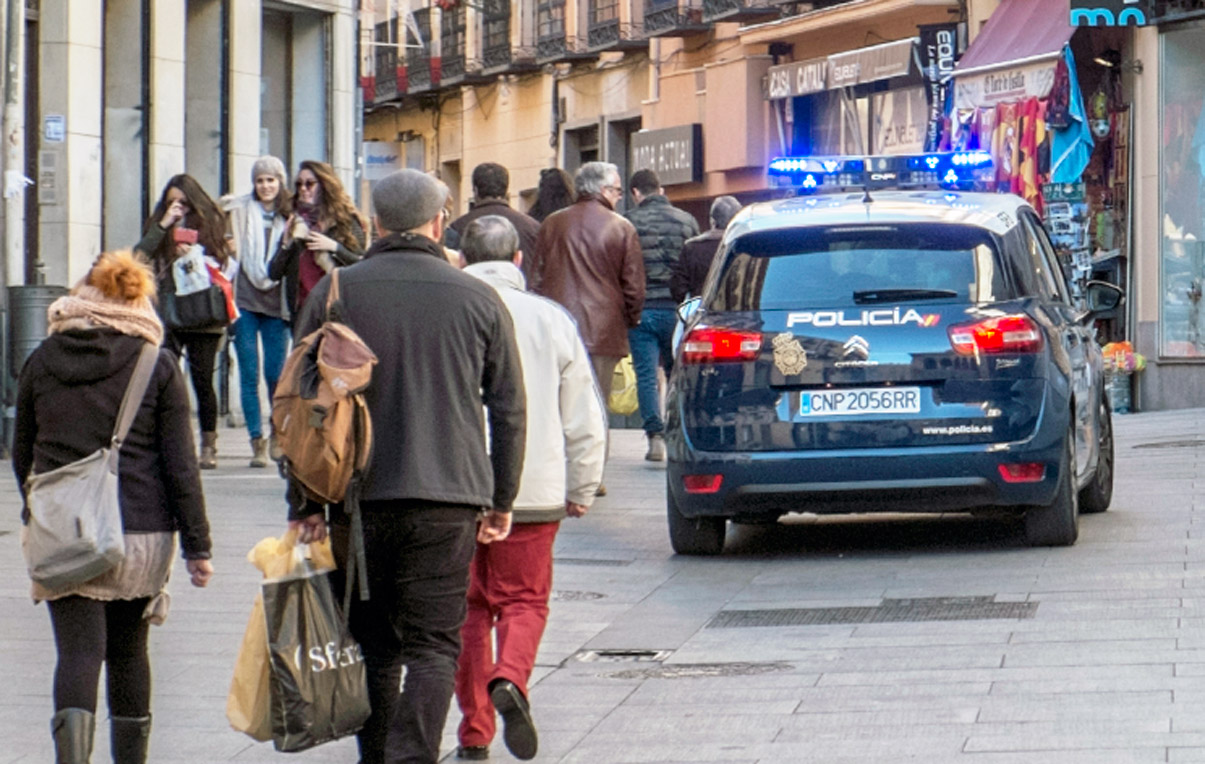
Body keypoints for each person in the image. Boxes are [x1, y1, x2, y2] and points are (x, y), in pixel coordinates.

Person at [287, 169, 527, 764]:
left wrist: (304, 504)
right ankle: (412, 756)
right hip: (448, 494)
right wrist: (501, 498)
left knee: (374, 645)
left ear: (374, 223)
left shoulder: (336, 290)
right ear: (440, 221)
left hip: (354, 497)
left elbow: (295, 402)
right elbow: (510, 407)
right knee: (434, 646)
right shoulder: (477, 295)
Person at [13, 250, 213, 764]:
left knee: (77, 653)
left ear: (81, 299)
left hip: (65, 532)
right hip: (141, 533)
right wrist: (198, 546)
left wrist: (39, 507)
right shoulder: (157, 363)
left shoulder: (42, 359)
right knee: (129, 653)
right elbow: (180, 464)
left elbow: (22, 450)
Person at [453, 216, 606, 762]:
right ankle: (511, 677)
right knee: (524, 600)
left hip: (458, 487)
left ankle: (474, 732)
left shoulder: (453, 311)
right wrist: (583, 482)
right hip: (535, 488)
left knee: (468, 609)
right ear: (519, 260)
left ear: (461, 258)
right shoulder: (551, 318)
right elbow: (584, 412)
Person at [535, 161, 644, 494]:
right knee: (595, 405)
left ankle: (557, 471)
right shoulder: (621, 227)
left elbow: (536, 279)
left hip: (556, 327)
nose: (620, 197)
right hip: (603, 330)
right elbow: (634, 287)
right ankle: (592, 477)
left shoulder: (551, 224)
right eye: (616, 190)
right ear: (601, 191)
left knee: (555, 401)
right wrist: (629, 319)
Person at [136, 174, 233, 469]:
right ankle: (168, 441)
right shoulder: (160, 223)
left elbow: (226, 260)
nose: (178, 207)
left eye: (183, 203)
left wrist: (196, 254)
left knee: (203, 381)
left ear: (194, 202)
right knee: (165, 378)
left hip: (203, 311)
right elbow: (138, 256)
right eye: (171, 202)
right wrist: (164, 225)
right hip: (170, 310)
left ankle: (209, 444)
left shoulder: (211, 222)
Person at [222, 156, 293, 468]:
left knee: (276, 375)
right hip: (246, 301)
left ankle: (278, 432)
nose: (265, 186)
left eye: (271, 180)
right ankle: (257, 442)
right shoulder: (239, 210)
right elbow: (214, 218)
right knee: (249, 373)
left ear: (280, 182)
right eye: (260, 180)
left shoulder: (291, 216)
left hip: (277, 305)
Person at [625, 168, 700, 462]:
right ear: (661, 189)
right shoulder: (686, 220)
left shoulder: (628, 223)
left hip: (642, 309)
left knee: (645, 375)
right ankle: (676, 431)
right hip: (676, 309)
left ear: (635, 192)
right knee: (675, 373)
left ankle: (654, 437)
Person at [268, 160, 366, 319]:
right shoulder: (295, 222)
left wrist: (335, 248)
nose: (303, 189)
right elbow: (274, 273)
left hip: (334, 309)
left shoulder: (345, 221)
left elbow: (362, 264)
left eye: (310, 184)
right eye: (299, 184)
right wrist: (286, 245)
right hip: (302, 310)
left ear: (324, 186)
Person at [444, 163, 541, 284]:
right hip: (524, 295)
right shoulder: (531, 226)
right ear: (506, 189)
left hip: (473, 295)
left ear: (475, 190)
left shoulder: (458, 227)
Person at [670, 195, 741, 304]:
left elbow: (678, 289)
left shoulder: (692, 248)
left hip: (704, 313)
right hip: (738, 311)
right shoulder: (744, 246)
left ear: (712, 221)